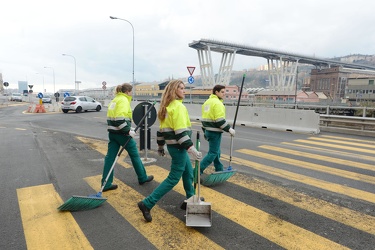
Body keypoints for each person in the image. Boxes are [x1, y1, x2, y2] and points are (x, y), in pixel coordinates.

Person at [137, 80, 202, 222]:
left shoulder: (166, 107)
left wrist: (160, 147)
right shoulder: (178, 107)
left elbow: (161, 132)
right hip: (179, 147)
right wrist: (192, 149)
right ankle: (147, 203)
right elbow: (180, 133)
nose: (184, 91)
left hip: (174, 147)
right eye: (182, 88)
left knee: (188, 173)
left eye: (184, 88)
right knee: (173, 178)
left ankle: (190, 199)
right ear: (174, 90)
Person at [101, 83, 153, 192]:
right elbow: (120, 119)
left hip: (113, 134)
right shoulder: (124, 100)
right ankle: (142, 177)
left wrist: (129, 127)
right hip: (122, 134)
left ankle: (106, 183)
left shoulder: (115, 100)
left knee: (110, 158)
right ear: (127, 91)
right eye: (131, 92)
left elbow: (114, 118)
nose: (132, 94)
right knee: (134, 155)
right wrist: (128, 130)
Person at [200, 84, 235, 174]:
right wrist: (229, 129)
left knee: (217, 151)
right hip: (215, 132)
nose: (224, 94)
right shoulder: (218, 104)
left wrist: (205, 131)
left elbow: (204, 118)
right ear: (216, 92)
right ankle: (197, 170)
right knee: (213, 153)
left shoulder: (207, 102)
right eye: (222, 92)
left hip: (208, 130)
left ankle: (219, 168)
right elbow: (220, 120)